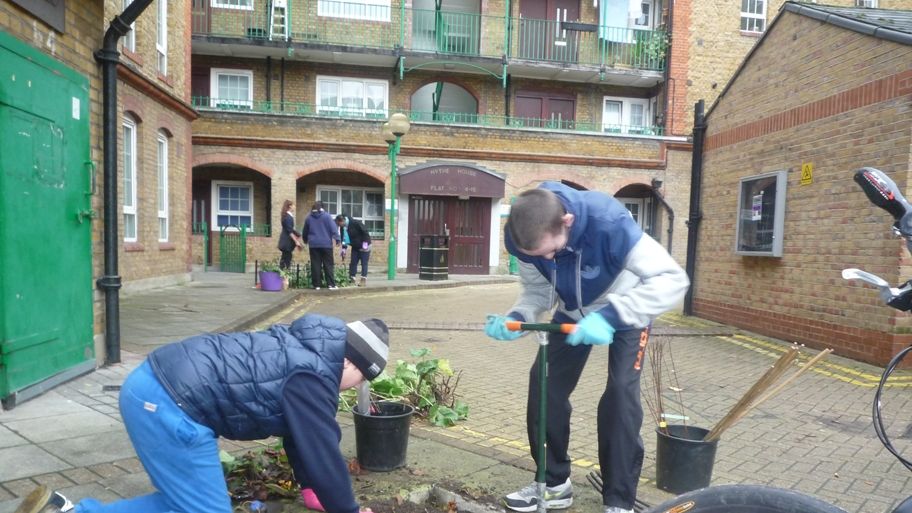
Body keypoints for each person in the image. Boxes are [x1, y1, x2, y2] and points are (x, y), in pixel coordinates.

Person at [15, 314, 391, 513]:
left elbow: (300, 437)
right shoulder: (314, 375)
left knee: (188, 502)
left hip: (151, 383)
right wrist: (348, 509)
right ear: (351, 363)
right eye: (359, 380)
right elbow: (322, 445)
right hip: (169, 407)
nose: (351, 388)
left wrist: (311, 490)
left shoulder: (303, 348)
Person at [484, 182, 689, 513]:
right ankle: (553, 485)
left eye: (552, 251)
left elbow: (672, 280)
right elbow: (538, 291)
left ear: (567, 221)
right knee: (544, 383)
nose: (549, 259)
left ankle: (618, 501)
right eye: (540, 256)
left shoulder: (609, 223)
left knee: (621, 395)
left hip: (627, 309)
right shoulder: (521, 237)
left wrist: (611, 316)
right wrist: (517, 317)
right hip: (573, 311)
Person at [302, 201, 340, 290]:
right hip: (326, 244)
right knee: (328, 264)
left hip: (314, 245)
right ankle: (331, 284)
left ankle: (317, 285)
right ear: (322, 207)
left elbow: (305, 231)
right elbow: (333, 228)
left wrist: (305, 240)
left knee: (315, 264)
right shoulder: (327, 216)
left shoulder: (308, 218)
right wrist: (337, 239)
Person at [336, 214, 372, 287]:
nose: (339, 226)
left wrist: (365, 243)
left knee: (364, 263)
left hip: (364, 246)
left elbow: (365, 232)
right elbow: (344, 239)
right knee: (353, 263)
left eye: (339, 224)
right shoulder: (343, 228)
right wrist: (343, 249)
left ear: (342, 221)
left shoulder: (356, 223)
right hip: (355, 246)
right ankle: (352, 278)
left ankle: (363, 280)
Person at [277, 199, 302, 270]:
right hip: (287, 242)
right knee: (286, 261)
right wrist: (296, 241)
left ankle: (283, 277)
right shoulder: (288, 217)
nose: (294, 207)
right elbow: (289, 231)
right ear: (290, 206)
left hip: (286, 242)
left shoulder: (288, 216)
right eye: (293, 205)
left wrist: (298, 234)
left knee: (285, 259)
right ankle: (284, 278)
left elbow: (290, 229)